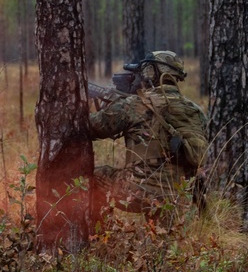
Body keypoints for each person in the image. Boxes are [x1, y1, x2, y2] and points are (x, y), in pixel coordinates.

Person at [89, 51, 208, 224]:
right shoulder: (196, 111)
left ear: (153, 72)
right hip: (179, 195)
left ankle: (99, 236)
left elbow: (92, 128)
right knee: (166, 243)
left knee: (90, 176)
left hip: (138, 191)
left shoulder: (134, 104)